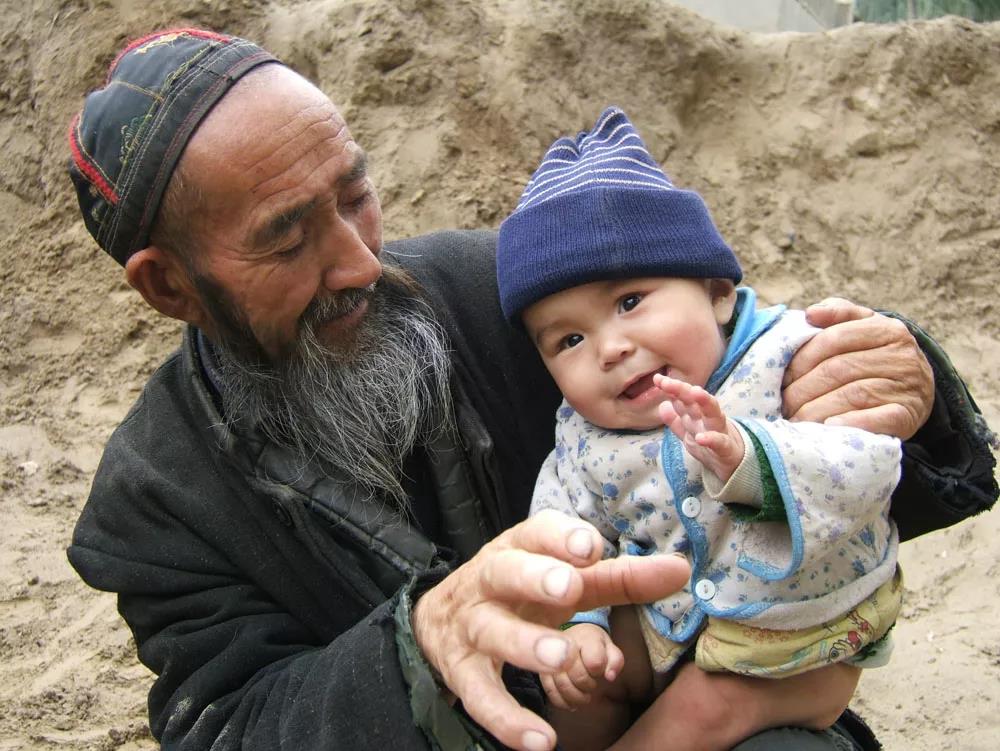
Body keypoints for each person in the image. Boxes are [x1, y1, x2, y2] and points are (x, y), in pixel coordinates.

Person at [64, 29, 996, 751]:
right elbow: (234, 724)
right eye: (286, 236)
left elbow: (754, 382)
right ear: (169, 285)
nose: (358, 261)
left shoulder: (507, 294)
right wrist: (421, 649)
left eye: (355, 194)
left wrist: (892, 381)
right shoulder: (153, 503)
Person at [495, 107, 905, 751]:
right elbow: (565, 527)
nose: (609, 349)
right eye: (569, 338)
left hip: (797, 636)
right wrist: (582, 623)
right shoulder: (582, 434)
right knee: (575, 688)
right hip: (669, 620)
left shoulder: (787, 354)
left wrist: (754, 456)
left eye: (630, 302)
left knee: (700, 708)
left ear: (716, 291)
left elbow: (869, 461)